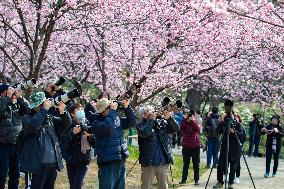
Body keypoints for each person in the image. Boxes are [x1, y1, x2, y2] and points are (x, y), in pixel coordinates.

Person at [20, 92, 71, 189]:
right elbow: (32, 126)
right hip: (36, 165)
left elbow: (66, 125)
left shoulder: (49, 118)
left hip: (51, 164)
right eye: (41, 105)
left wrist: (63, 112)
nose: (43, 106)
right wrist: (44, 110)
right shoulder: (27, 118)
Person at [92, 98, 136, 189]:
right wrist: (113, 112)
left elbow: (132, 122)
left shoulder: (115, 119)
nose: (112, 109)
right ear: (103, 110)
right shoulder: (97, 124)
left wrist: (127, 108)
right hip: (108, 162)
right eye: (109, 108)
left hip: (120, 159)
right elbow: (107, 127)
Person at [136, 105, 179, 189]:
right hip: (148, 162)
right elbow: (145, 133)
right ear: (144, 115)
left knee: (164, 187)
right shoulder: (140, 126)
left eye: (154, 111)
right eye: (151, 111)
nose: (154, 113)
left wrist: (169, 118)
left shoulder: (162, 124)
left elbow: (176, 129)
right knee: (146, 186)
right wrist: (151, 120)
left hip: (162, 161)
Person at [0, 84, 30, 189]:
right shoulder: (2, 103)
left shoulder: (16, 104)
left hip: (16, 145)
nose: (12, 93)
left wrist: (20, 97)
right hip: (2, 145)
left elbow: (28, 110)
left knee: (15, 175)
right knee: (1, 175)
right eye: (9, 91)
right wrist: (7, 98)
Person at [63, 103, 95, 189]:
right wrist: (73, 133)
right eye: (78, 110)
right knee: (72, 184)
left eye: (82, 109)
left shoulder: (89, 124)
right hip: (71, 158)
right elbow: (65, 142)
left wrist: (89, 135)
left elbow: (95, 143)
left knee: (77, 184)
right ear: (72, 114)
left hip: (84, 159)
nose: (81, 111)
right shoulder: (69, 123)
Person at [213, 100, 243, 189]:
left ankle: (230, 183)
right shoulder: (223, 122)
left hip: (235, 149)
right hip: (224, 147)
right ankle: (220, 182)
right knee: (220, 166)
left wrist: (234, 131)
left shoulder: (237, 124)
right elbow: (217, 131)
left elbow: (241, 134)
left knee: (233, 168)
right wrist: (221, 123)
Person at [180, 111, 201, 185]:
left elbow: (198, 129)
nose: (190, 117)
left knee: (196, 164)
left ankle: (196, 180)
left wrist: (192, 121)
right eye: (189, 116)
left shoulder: (196, 122)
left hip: (195, 146)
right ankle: (183, 180)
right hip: (186, 146)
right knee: (186, 164)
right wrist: (185, 120)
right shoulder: (185, 122)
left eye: (192, 116)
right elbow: (181, 127)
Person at [234, 114, 246, 184]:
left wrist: (241, 143)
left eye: (237, 118)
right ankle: (226, 175)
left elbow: (244, 137)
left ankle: (237, 176)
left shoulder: (242, 127)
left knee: (237, 163)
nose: (235, 119)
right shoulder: (230, 126)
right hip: (231, 146)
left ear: (239, 119)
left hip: (238, 146)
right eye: (234, 118)